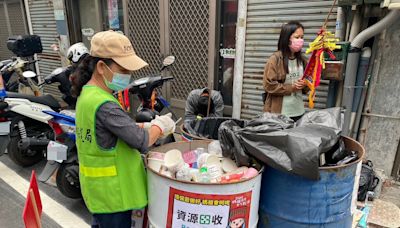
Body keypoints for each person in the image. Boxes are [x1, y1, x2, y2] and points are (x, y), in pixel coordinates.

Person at [72, 30, 176, 228]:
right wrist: (159, 125)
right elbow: (142, 141)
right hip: (114, 194)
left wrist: (144, 125)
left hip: (99, 192)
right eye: (124, 70)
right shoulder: (104, 104)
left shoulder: (88, 95)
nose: (128, 76)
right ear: (102, 66)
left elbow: (106, 129)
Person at [263, 21, 308, 122]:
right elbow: (268, 85)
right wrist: (292, 87)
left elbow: (309, 83)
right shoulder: (275, 59)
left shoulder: (303, 60)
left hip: (298, 112)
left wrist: (305, 84)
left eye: (302, 37)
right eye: (297, 37)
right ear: (287, 39)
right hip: (279, 114)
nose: (300, 40)